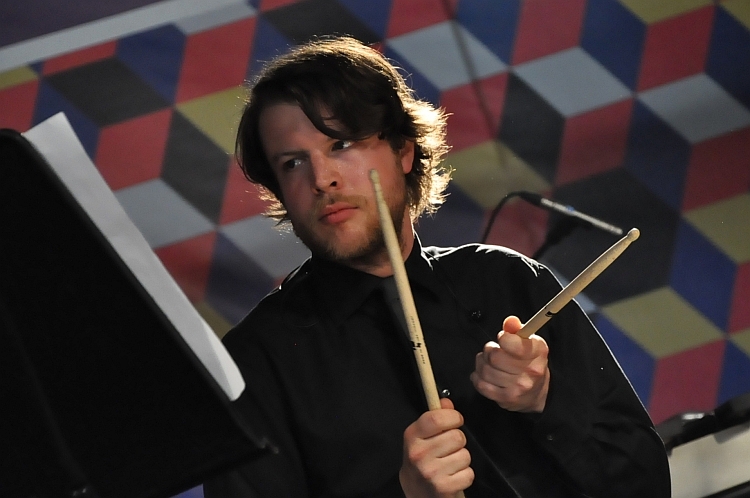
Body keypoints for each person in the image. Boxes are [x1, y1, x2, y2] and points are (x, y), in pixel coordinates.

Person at [203, 36, 671, 497]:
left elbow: (647, 482)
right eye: (292, 163)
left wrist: (546, 403)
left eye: (341, 144)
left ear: (403, 151)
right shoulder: (257, 360)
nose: (321, 179)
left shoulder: (508, 282)